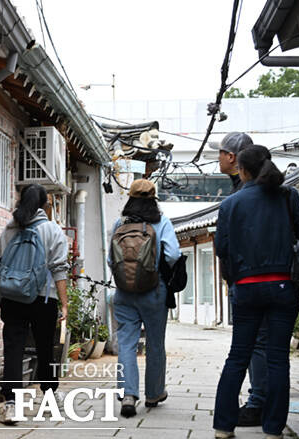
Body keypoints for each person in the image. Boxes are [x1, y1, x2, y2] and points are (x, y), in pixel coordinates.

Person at [213, 145, 299, 439]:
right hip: (283, 285)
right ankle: (272, 430)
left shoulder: (231, 204)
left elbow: (223, 249)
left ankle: (223, 427)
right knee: (278, 358)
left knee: (238, 356)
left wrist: (235, 281)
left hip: (246, 288)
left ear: (242, 170)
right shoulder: (287, 196)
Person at [0, 184, 69, 425]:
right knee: (46, 347)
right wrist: (64, 304)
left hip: (12, 297)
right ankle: (50, 396)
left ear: (21, 202)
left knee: (14, 348)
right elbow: (60, 269)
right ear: (45, 205)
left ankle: (11, 404)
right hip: (44, 299)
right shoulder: (53, 230)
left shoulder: (9, 230)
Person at [109, 179, 181, 418]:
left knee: (127, 343)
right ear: (153, 199)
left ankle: (128, 394)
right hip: (154, 290)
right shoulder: (162, 223)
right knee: (155, 343)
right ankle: (154, 393)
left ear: (130, 197)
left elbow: (111, 259)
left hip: (124, 292)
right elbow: (172, 255)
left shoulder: (120, 224)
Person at [213, 132, 268, 427]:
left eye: (220, 152)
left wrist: (231, 277)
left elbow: (225, 246)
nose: (217, 157)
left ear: (233, 159)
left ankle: (258, 402)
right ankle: (267, 402)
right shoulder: (275, 192)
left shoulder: (238, 197)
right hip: (277, 281)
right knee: (266, 343)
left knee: (252, 344)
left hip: (248, 281)